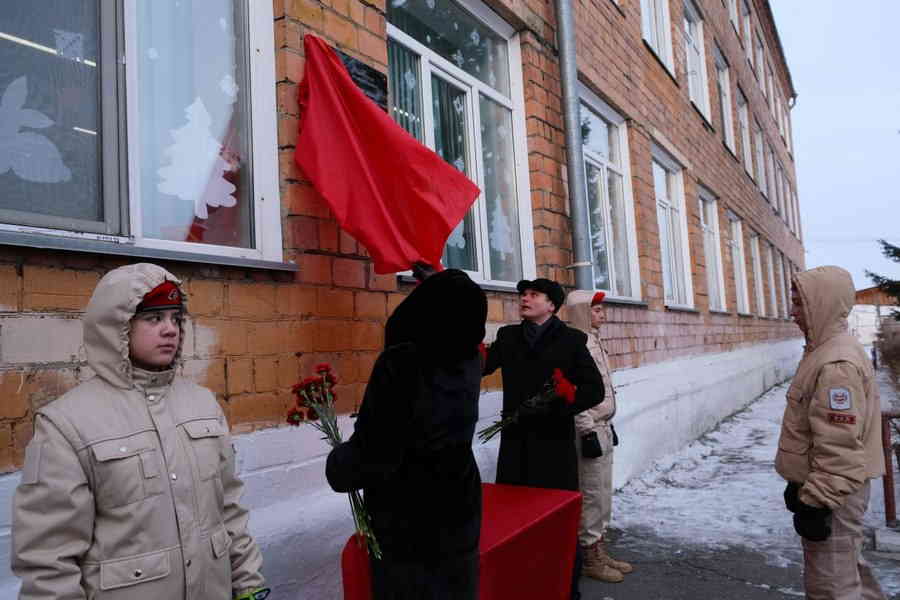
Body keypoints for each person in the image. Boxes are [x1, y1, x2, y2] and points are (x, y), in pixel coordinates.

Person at [12, 263, 268, 600]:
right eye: (153, 318)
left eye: (175, 319)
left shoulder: (203, 405)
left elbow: (230, 512)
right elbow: (49, 559)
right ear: (116, 327)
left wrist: (249, 586)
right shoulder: (67, 423)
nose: (170, 330)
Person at [326, 268, 487, 600]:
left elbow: (375, 453)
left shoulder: (402, 364)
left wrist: (338, 463)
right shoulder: (469, 360)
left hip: (410, 524)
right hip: (458, 512)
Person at [483, 278, 604, 600]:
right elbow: (479, 366)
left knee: (557, 519)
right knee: (514, 518)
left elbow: (594, 389)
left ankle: (564, 588)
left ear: (551, 305)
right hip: (515, 443)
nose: (525, 298)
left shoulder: (572, 340)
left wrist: (562, 403)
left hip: (554, 445)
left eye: (533, 294)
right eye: (522, 294)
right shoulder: (508, 337)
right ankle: (520, 585)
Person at [776, 265, 886, 600]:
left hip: (834, 493)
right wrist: (799, 483)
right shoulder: (824, 349)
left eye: (799, 303)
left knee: (831, 586)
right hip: (829, 486)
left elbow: (839, 447)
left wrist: (816, 502)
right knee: (847, 570)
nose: (793, 312)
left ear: (821, 303)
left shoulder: (835, 363)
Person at [566, 290, 633, 583]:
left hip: (604, 425)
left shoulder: (595, 340)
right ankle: (588, 557)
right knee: (592, 494)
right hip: (589, 428)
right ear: (581, 311)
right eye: (595, 310)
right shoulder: (576, 344)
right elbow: (574, 392)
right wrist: (586, 429)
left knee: (603, 491)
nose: (602, 315)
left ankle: (599, 547)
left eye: (602, 310)